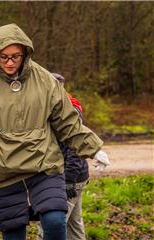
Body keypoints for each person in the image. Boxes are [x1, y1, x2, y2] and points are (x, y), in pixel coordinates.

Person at [0, 23, 110, 240]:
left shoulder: (45, 80)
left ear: (25, 53)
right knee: (13, 234)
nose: (9, 63)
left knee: (55, 220)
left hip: (44, 164)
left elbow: (67, 121)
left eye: (15, 56)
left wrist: (93, 149)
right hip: (4, 169)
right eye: (3, 57)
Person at [37, 73, 90, 240]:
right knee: (75, 226)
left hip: (68, 179)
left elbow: (75, 150)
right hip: (76, 177)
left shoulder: (69, 111)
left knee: (50, 228)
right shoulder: (56, 108)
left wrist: (68, 182)